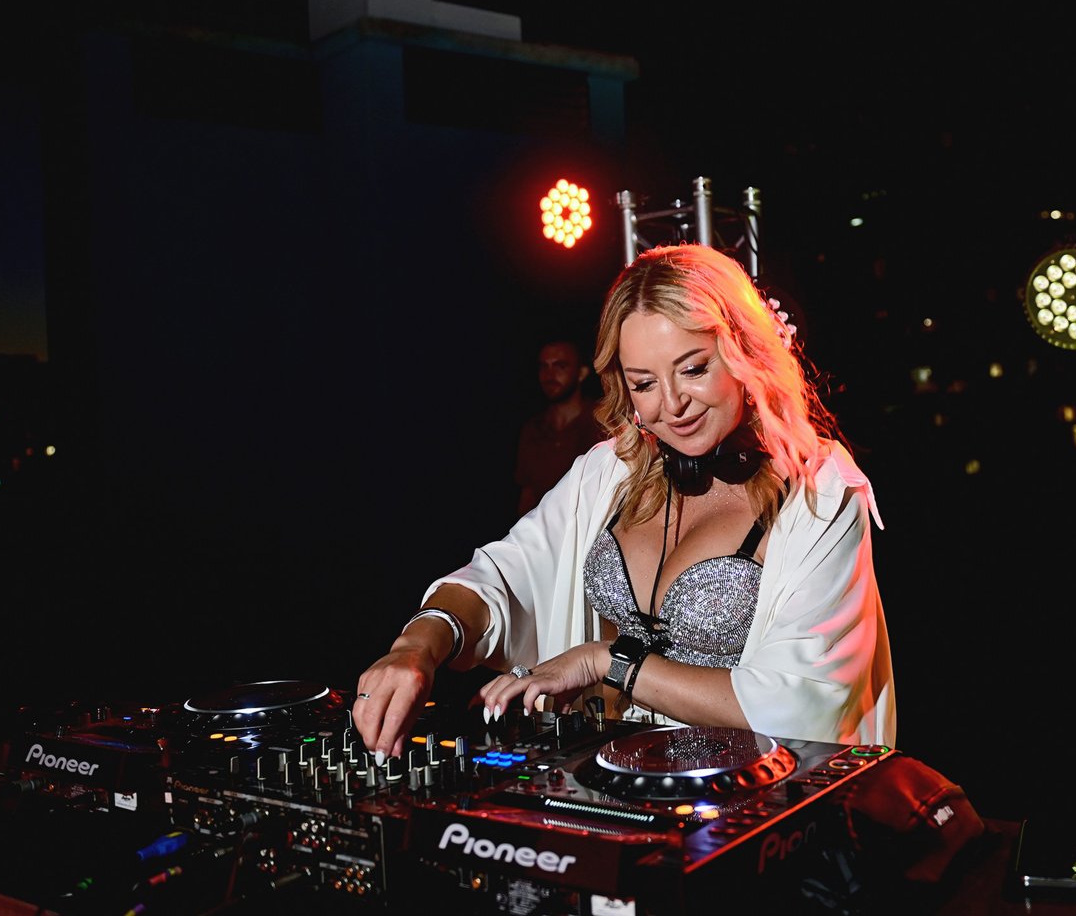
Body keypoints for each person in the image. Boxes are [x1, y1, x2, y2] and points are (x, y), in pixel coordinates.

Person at [353, 243, 895, 761]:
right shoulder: (609, 472)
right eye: (644, 383)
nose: (673, 404)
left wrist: (606, 661)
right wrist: (416, 647)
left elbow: (803, 702)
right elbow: (503, 573)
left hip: (748, 797)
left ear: (744, 355)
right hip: (612, 783)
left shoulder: (819, 493)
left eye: (694, 369)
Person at [514, 337, 607, 517]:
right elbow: (527, 495)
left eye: (560, 366)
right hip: (542, 529)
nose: (549, 375)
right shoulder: (533, 429)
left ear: (581, 373)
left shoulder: (602, 423)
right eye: (544, 366)